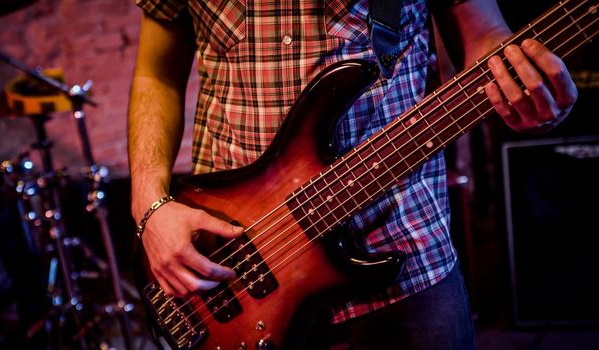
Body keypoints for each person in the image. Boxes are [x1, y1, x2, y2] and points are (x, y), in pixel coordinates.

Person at [127, 0, 577, 348]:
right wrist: (149, 206)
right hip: (236, 260)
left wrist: (521, 80)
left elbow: (483, 35)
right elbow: (155, 71)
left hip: (404, 244)